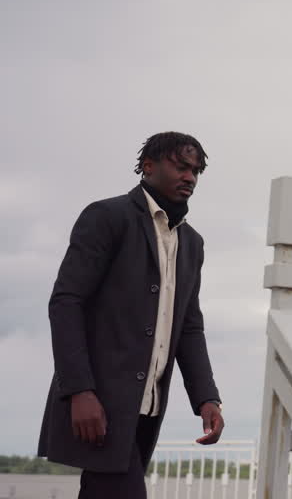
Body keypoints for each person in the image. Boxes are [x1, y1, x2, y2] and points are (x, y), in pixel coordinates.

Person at [38, 132, 225, 498]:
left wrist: (206, 398)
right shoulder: (107, 217)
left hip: (147, 408)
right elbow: (66, 302)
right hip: (100, 403)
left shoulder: (192, 243)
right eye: (181, 166)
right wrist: (79, 390)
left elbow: (189, 326)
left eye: (197, 171)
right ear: (148, 166)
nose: (190, 177)